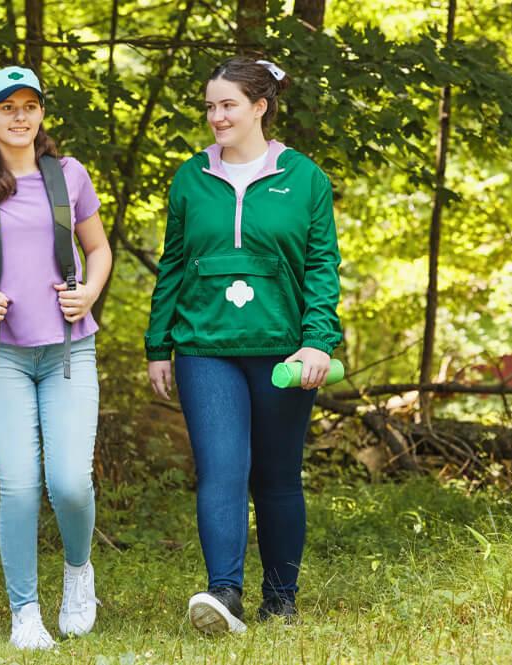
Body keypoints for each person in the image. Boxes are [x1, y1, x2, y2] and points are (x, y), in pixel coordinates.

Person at [144, 56, 342, 633]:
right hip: (204, 347)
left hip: (284, 349)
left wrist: (318, 342)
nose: (216, 116)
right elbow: (174, 264)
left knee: (277, 475)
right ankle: (224, 594)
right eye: (210, 106)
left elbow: (322, 268)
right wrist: (159, 345)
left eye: (228, 104)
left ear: (260, 107)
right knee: (221, 469)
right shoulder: (190, 178)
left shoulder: (305, 178)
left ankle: (280, 599)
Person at [0, 66, 112, 650]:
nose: (19, 115)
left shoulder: (69, 176)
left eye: (29, 105)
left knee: (71, 484)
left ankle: (79, 576)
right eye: (6, 106)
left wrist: (90, 292)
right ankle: (25, 614)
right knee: (20, 487)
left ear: (40, 114)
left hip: (68, 353)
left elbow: (98, 248)